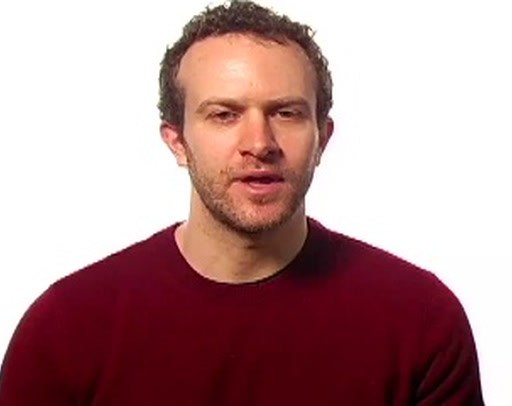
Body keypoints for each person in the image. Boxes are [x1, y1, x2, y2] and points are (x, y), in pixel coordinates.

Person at [0, 1, 484, 404]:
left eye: (286, 113)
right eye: (224, 115)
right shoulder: (67, 329)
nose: (259, 143)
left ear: (323, 138)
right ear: (177, 141)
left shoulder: (420, 321)